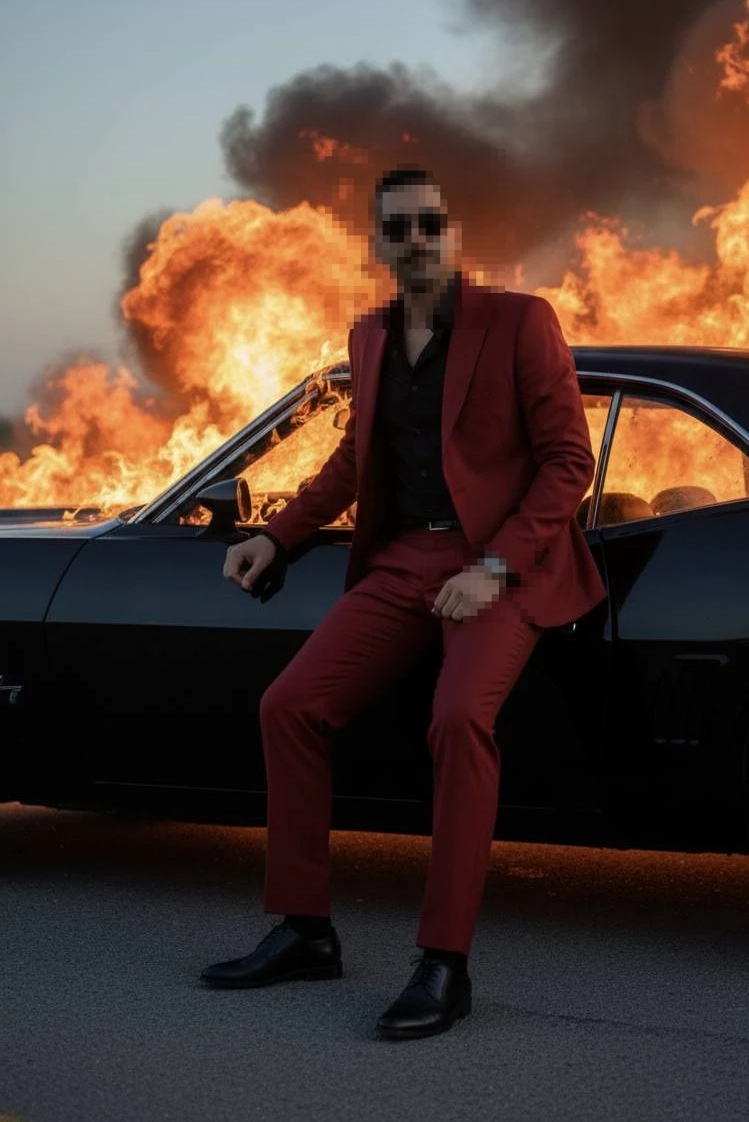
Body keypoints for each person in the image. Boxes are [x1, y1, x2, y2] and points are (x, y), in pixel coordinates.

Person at [200, 166, 607, 1039]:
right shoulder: (370, 336)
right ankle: (305, 929)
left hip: (503, 564)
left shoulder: (520, 321)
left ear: (453, 236)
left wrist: (491, 569)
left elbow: (570, 462)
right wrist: (280, 536)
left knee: (458, 719)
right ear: (379, 246)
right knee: (291, 706)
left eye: (430, 224)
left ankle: (443, 964)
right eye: (399, 229)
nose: (416, 240)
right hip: (403, 560)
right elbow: (356, 460)